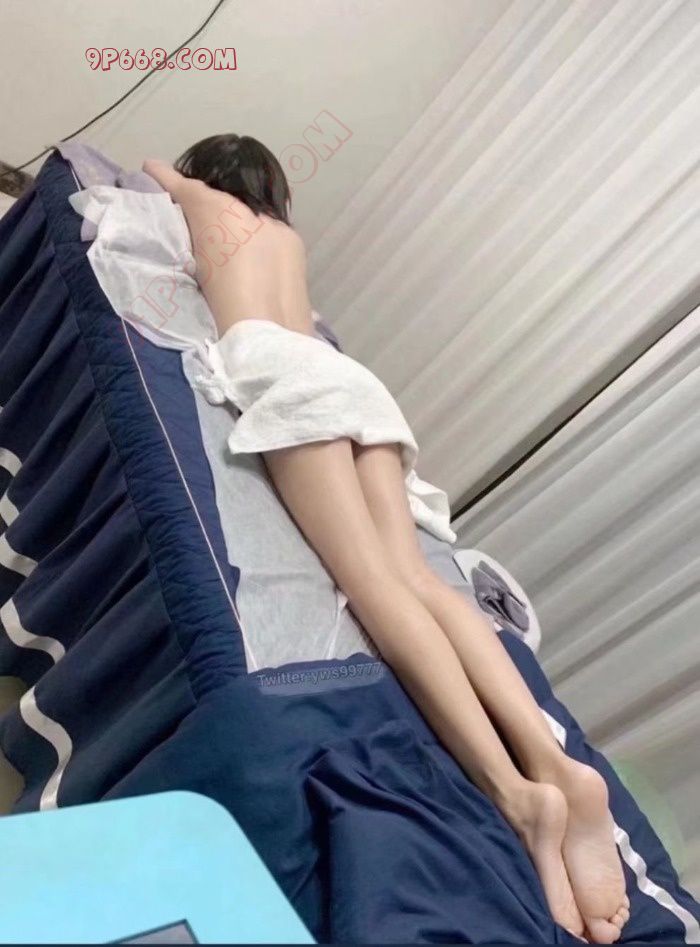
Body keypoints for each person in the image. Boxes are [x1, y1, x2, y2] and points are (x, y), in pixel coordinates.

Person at [143, 134, 629, 943]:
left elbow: (154, 174)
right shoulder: (288, 238)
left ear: (214, 176)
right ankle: (556, 764)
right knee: (421, 578)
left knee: (370, 582)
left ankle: (519, 793)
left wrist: (185, 181)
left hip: (283, 372)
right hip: (353, 381)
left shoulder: (209, 204)